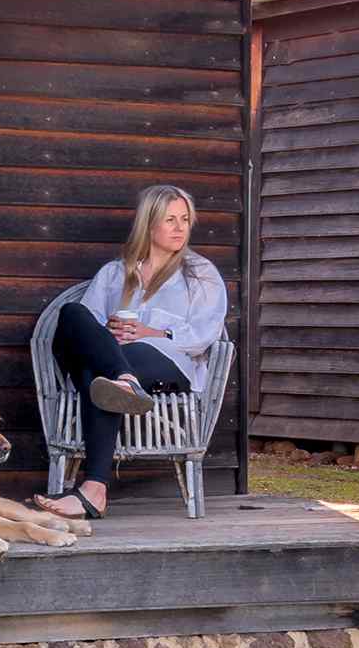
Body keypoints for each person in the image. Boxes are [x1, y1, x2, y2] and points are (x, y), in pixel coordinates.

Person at [36, 182, 223, 521]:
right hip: (117, 363)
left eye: (185, 219)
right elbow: (84, 329)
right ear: (149, 224)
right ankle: (124, 381)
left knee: (97, 374)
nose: (180, 228)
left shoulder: (200, 275)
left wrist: (154, 331)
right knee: (73, 315)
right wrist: (107, 333)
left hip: (167, 362)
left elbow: (204, 334)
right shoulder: (114, 273)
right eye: (170, 220)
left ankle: (94, 489)